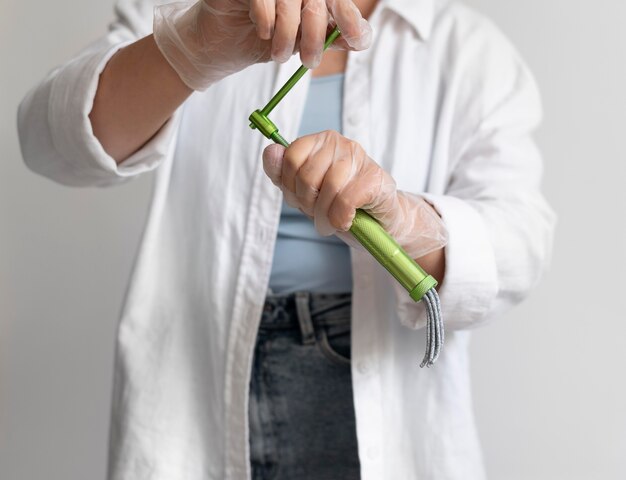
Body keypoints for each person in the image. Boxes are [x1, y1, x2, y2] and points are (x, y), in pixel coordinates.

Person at [17, 0, 555, 478]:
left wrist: (410, 221)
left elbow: (521, 240)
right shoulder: (195, 8)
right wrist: (187, 49)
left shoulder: (468, 50)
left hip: (379, 382)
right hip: (195, 379)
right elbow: (50, 141)